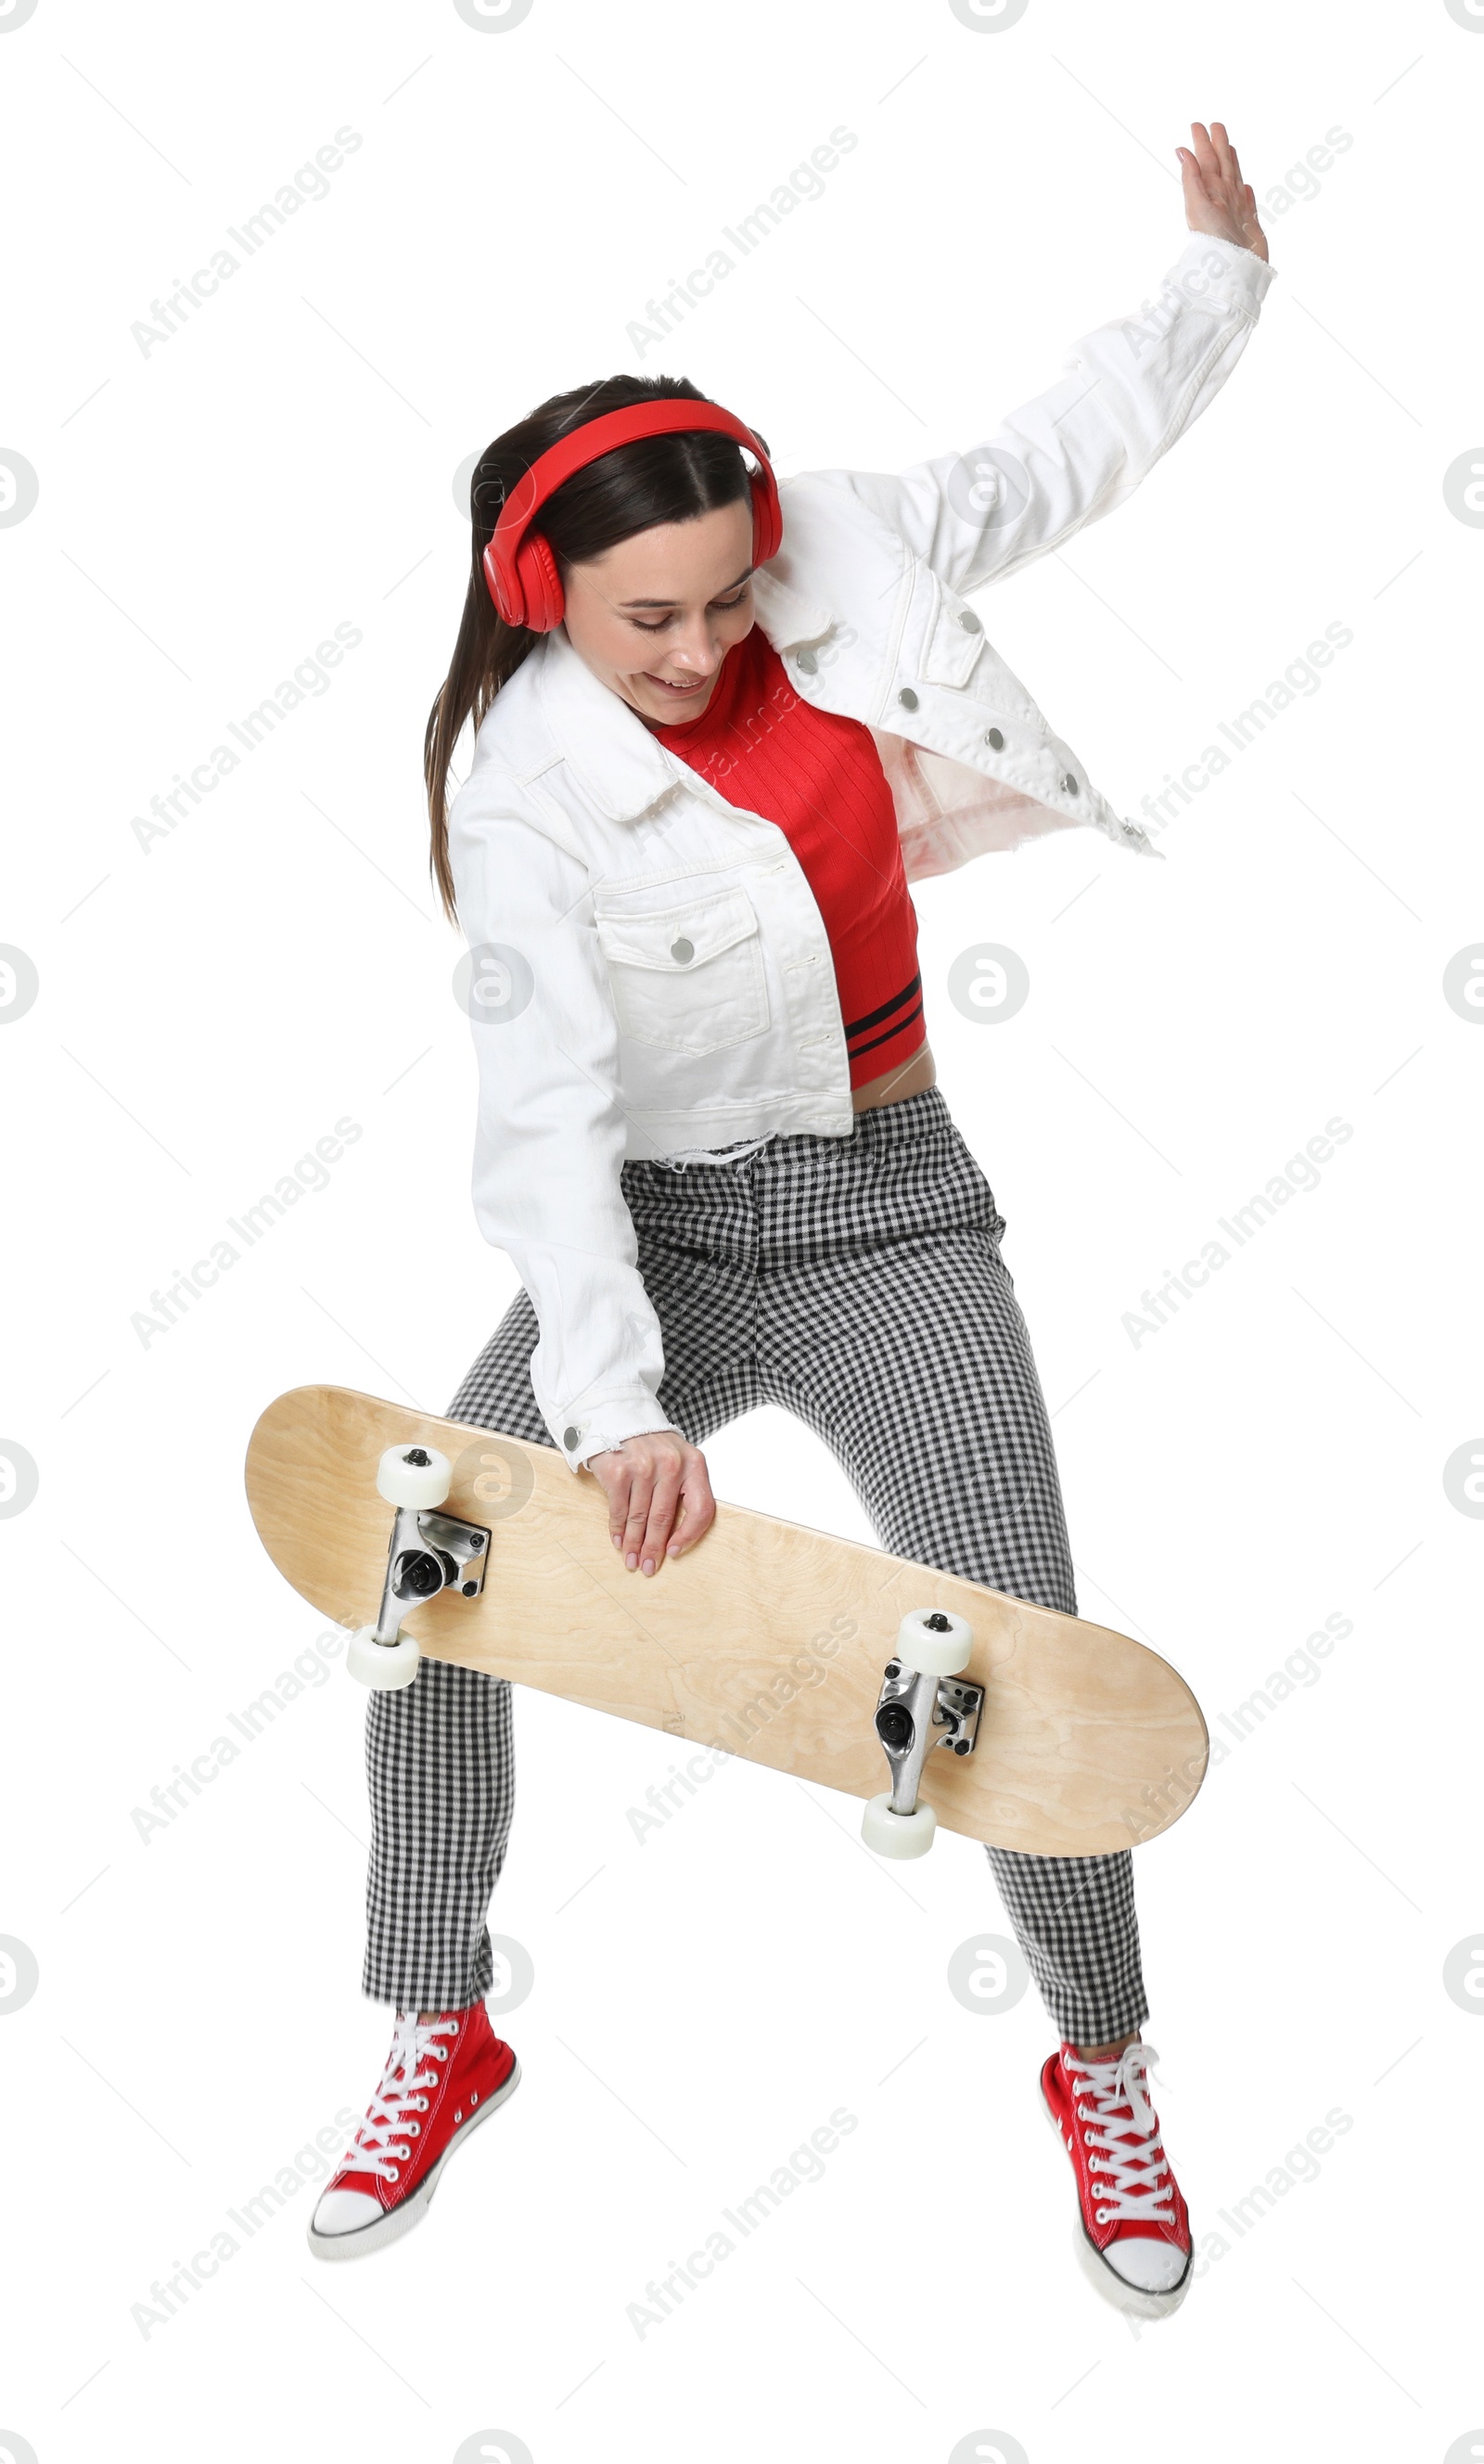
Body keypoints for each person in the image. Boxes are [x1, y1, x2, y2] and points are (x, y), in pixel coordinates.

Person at [308, 123, 1274, 2315]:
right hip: (642, 1238)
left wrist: (1214, 281)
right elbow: (540, 1115)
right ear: (543, 593)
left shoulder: (840, 548)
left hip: (885, 1209)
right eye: (652, 611)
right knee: (430, 1568)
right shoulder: (522, 778)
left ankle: (1101, 2062)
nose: (706, 636)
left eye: (732, 590)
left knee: (1025, 1648)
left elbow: (1056, 456)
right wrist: (614, 1403)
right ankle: (431, 2016)